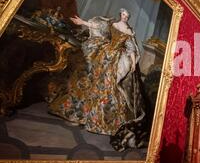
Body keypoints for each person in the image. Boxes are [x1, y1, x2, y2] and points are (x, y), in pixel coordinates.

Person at [49, 8, 146, 152]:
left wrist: (132, 64)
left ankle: (99, 119)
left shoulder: (129, 32)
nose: (125, 17)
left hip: (114, 60)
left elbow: (131, 48)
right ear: (120, 15)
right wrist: (82, 22)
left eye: (127, 16)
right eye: (124, 15)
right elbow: (99, 27)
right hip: (104, 55)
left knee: (108, 87)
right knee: (92, 82)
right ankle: (83, 114)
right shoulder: (112, 24)